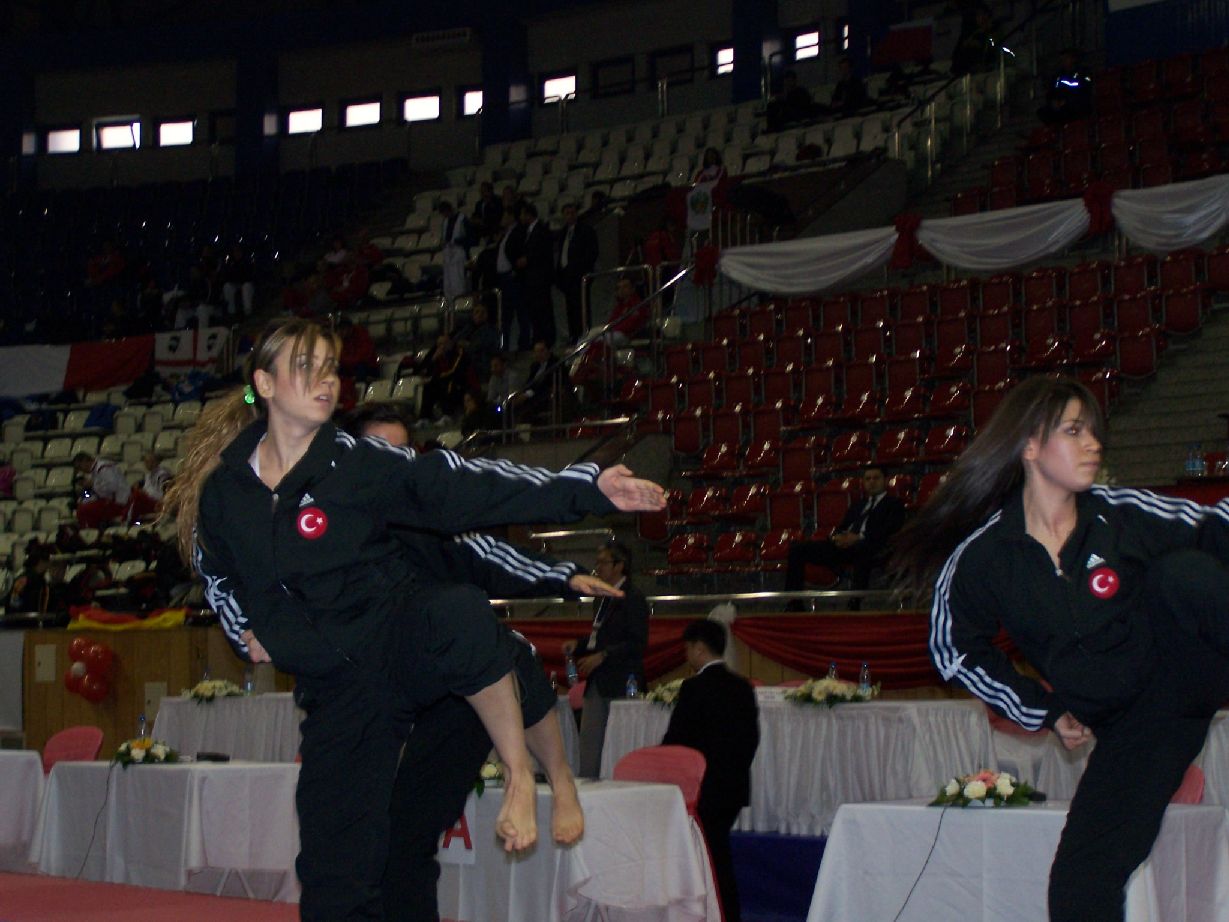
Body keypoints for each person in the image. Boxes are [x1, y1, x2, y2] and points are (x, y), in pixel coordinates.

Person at [164, 318, 665, 920]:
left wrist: (582, 487)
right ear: (265, 384)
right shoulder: (225, 494)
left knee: (461, 614)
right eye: (306, 366)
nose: (325, 379)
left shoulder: (358, 463)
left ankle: (520, 774)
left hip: (396, 639)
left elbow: (463, 486)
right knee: (333, 878)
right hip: (338, 694)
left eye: (330, 368)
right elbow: (217, 573)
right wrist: (245, 629)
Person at [891, 375, 1229, 922]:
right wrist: (1043, 709)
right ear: (1029, 445)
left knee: (1187, 573)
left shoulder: (1120, 513)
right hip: (1139, 730)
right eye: (1074, 431)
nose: (1094, 443)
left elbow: (1216, 526)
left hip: (1188, 661)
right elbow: (953, 649)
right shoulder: (984, 556)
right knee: (1078, 890)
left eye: (1094, 431)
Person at [340, 401, 617, 922]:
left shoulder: (433, 516)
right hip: (389, 690)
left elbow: (492, 554)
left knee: (500, 645)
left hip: (458, 693)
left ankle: (553, 778)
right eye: (380, 451)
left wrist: (562, 575)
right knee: (400, 839)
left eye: (402, 451)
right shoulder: (339, 524)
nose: (393, 462)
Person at [662, 619, 760, 922]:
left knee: (710, 858)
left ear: (699, 649)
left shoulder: (694, 687)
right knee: (718, 853)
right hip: (733, 787)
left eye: (688, 649)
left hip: (702, 789)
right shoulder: (742, 686)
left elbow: (677, 741)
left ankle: (715, 913)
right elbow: (752, 739)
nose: (687, 655)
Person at [561, 540, 650, 778]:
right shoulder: (601, 597)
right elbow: (598, 636)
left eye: (603, 563)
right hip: (598, 680)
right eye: (597, 563)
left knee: (619, 743)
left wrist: (604, 655)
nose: (597, 568)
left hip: (622, 682)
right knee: (589, 744)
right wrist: (579, 645)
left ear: (619, 565)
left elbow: (637, 642)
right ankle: (589, 789)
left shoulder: (633, 598)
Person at [784, 465, 906, 605]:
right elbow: (843, 526)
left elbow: (890, 530)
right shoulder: (858, 505)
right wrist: (837, 537)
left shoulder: (894, 504)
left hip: (873, 546)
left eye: (876, 478)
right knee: (797, 549)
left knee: (862, 549)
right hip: (847, 547)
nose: (871, 482)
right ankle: (793, 602)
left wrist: (859, 537)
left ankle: (855, 602)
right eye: (868, 479)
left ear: (885, 480)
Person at [555, 201, 600, 345]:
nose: (570, 216)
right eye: (567, 213)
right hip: (567, 276)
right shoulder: (563, 233)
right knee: (570, 308)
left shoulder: (586, 230)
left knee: (582, 307)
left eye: (572, 213)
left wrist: (581, 269)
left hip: (580, 275)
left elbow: (592, 252)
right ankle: (574, 335)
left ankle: (584, 335)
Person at [516, 202, 556, 347]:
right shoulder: (530, 231)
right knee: (535, 310)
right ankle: (539, 337)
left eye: (522, 214)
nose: (521, 218)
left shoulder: (541, 230)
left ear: (528, 214)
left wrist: (528, 259)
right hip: (532, 279)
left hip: (540, 278)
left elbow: (542, 252)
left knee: (543, 309)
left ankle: (547, 338)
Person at [73, 451, 133, 528]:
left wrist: (92, 484)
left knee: (83, 511)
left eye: (79, 467)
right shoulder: (95, 471)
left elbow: (113, 487)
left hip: (119, 502)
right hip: (111, 501)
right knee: (82, 506)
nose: (81, 470)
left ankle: (92, 532)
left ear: (85, 461)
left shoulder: (103, 468)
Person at [1038, 48, 1094, 125]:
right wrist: (1054, 101)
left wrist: (1066, 101)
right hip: (1061, 106)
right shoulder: (1058, 76)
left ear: (1073, 59)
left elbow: (1085, 89)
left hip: (1076, 105)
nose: (1063, 61)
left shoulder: (1083, 72)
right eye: (1062, 59)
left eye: (1066, 58)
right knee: (1043, 112)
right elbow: (1052, 91)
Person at [437, 201, 473, 307]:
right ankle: (450, 306)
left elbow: (470, 238)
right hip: (448, 253)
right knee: (448, 284)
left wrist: (457, 241)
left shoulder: (462, 220)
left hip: (459, 252)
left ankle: (460, 305)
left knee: (458, 281)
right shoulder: (445, 222)